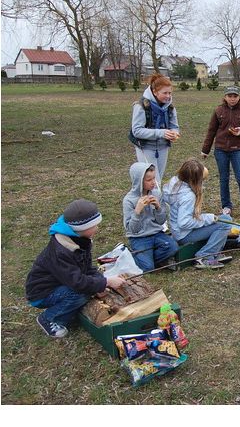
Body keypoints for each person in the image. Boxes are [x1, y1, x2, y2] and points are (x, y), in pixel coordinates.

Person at [25, 199, 126, 338]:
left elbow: (87, 268)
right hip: (42, 293)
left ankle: (67, 310)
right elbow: (77, 283)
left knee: (86, 290)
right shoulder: (62, 251)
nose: (97, 229)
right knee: (80, 293)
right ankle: (49, 319)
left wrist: (100, 282)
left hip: (61, 283)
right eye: (94, 226)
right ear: (80, 228)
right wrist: (106, 282)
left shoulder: (80, 240)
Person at [163, 158, 233, 270]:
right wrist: (207, 218)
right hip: (184, 235)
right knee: (226, 223)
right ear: (194, 180)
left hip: (178, 232)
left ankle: (214, 252)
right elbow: (184, 223)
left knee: (224, 218)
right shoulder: (188, 196)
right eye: (202, 180)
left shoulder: (175, 182)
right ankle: (204, 256)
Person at [200, 85, 240, 219]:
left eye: (235, 96)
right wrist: (205, 150)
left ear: (239, 97)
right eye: (229, 96)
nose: (232, 99)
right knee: (224, 179)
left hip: (237, 150)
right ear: (225, 97)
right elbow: (211, 131)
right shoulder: (218, 110)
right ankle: (226, 206)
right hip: (220, 150)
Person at [123, 163, 179, 272]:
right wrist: (137, 211)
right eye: (149, 180)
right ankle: (132, 255)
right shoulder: (129, 200)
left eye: (154, 178)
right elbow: (133, 230)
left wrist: (158, 207)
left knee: (173, 247)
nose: (153, 182)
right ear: (138, 181)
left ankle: (148, 258)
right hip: (139, 237)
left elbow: (161, 221)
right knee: (147, 268)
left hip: (156, 233)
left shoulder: (157, 194)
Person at [130, 73, 180, 183]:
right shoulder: (141, 106)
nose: (168, 96)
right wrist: (160, 133)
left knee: (158, 180)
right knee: (152, 182)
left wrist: (174, 133)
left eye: (170, 93)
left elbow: (174, 126)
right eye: (165, 93)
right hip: (146, 147)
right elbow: (137, 131)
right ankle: (145, 200)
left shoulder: (170, 108)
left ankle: (154, 200)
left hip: (163, 148)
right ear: (154, 92)